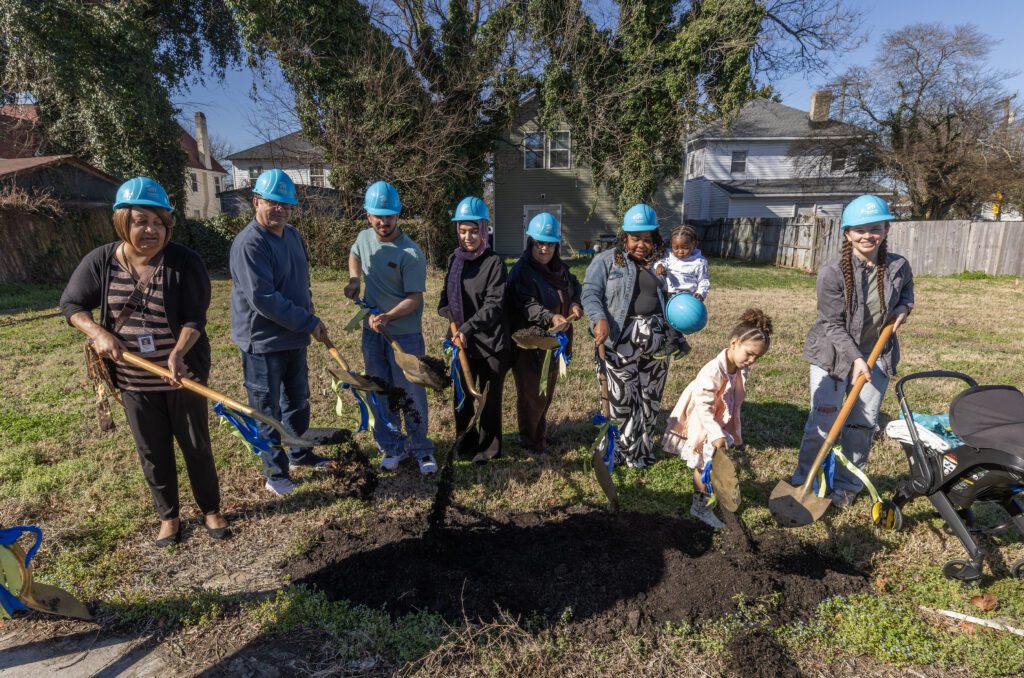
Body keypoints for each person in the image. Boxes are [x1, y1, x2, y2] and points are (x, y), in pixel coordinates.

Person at [60, 177, 228, 546]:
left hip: (181, 375)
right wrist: (98, 332)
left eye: (159, 222)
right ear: (123, 222)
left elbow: (194, 319)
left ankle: (211, 509)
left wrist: (178, 354)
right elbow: (71, 305)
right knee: (152, 449)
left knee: (196, 444)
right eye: (141, 221)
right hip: (134, 379)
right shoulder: (101, 261)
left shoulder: (185, 262)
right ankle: (169, 517)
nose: (151, 230)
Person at [792, 195, 914, 508]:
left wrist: (904, 307)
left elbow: (908, 293)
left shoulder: (898, 266)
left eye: (875, 228)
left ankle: (846, 486)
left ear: (886, 229)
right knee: (824, 421)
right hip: (833, 356)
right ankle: (803, 478)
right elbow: (831, 324)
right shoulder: (832, 273)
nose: (867, 235)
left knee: (862, 423)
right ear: (847, 234)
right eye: (859, 230)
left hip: (877, 356)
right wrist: (856, 358)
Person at [229, 169, 332, 498]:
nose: (281, 210)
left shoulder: (292, 235)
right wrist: (307, 321)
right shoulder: (250, 243)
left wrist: (310, 315)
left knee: (297, 400)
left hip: (295, 337)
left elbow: (301, 283)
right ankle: (275, 472)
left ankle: (300, 452)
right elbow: (264, 299)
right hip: (263, 342)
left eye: (287, 205)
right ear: (256, 201)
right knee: (267, 408)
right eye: (274, 203)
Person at [345, 181, 436, 474]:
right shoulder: (363, 238)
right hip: (372, 334)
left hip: (405, 335)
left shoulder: (410, 254)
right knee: (380, 389)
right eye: (378, 216)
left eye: (389, 216)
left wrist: (388, 317)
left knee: (411, 391)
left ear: (398, 215)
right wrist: (354, 280)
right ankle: (392, 447)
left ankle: (422, 449)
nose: (383, 222)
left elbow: (415, 299)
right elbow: (355, 253)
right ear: (368, 215)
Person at [662, 309, 774, 528]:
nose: (751, 361)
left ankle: (710, 497)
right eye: (749, 354)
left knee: (713, 461)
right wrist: (714, 433)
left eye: (757, 357)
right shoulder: (712, 370)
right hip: (703, 421)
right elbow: (703, 406)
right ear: (734, 343)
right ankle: (700, 507)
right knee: (703, 463)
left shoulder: (739, 366)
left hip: (717, 418)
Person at [581, 203, 669, 468]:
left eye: (647, 239)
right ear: (624, 237)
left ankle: (639, 452)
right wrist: (598, 319)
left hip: (655, 339)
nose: (641, 245)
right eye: (635, 239)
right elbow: (590, 293)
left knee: (649, 399)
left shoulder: (662, 264)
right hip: (621, 339)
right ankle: (613, 452)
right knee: (620, 400)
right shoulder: (607, 260)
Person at [438, 197, 510, 464]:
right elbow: (445, 295)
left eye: (474, 230)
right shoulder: (453, 260)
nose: (468, 236)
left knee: (488, 400)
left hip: (491, 343)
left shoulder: (494, 263)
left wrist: (466, 328)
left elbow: (494, 306)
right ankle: (465, 444)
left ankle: (489, 449)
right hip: (461, 343)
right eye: (463, 230)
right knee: (463, 397)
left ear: (484, 229)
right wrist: (443, 309)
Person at [507, 212, 583, 455]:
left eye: (549, 243)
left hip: (554, 343)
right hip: (530, 344)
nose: (544, 249)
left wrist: (574, 305)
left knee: (546, 392)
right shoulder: (521, 272)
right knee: (531, 394)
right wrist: (550, 316)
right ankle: (530, 441)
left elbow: (575, 287)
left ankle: (539, 433)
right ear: (531, 243)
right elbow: (526, 303)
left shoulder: (559, 269)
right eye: (539, 243)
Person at [654, 224, 710, 359]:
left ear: (694, 244)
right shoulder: (669, 256)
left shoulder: (699, 262)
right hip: (669, 294)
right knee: (666, 320)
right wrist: (659, 266)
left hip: (686, 297)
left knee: (670, 320)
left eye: (685, 247)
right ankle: (683, 345)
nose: (680, 251)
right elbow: (660, 262)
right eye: (676, 248)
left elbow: (704, 281)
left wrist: (701, 293)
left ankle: (671, 343)